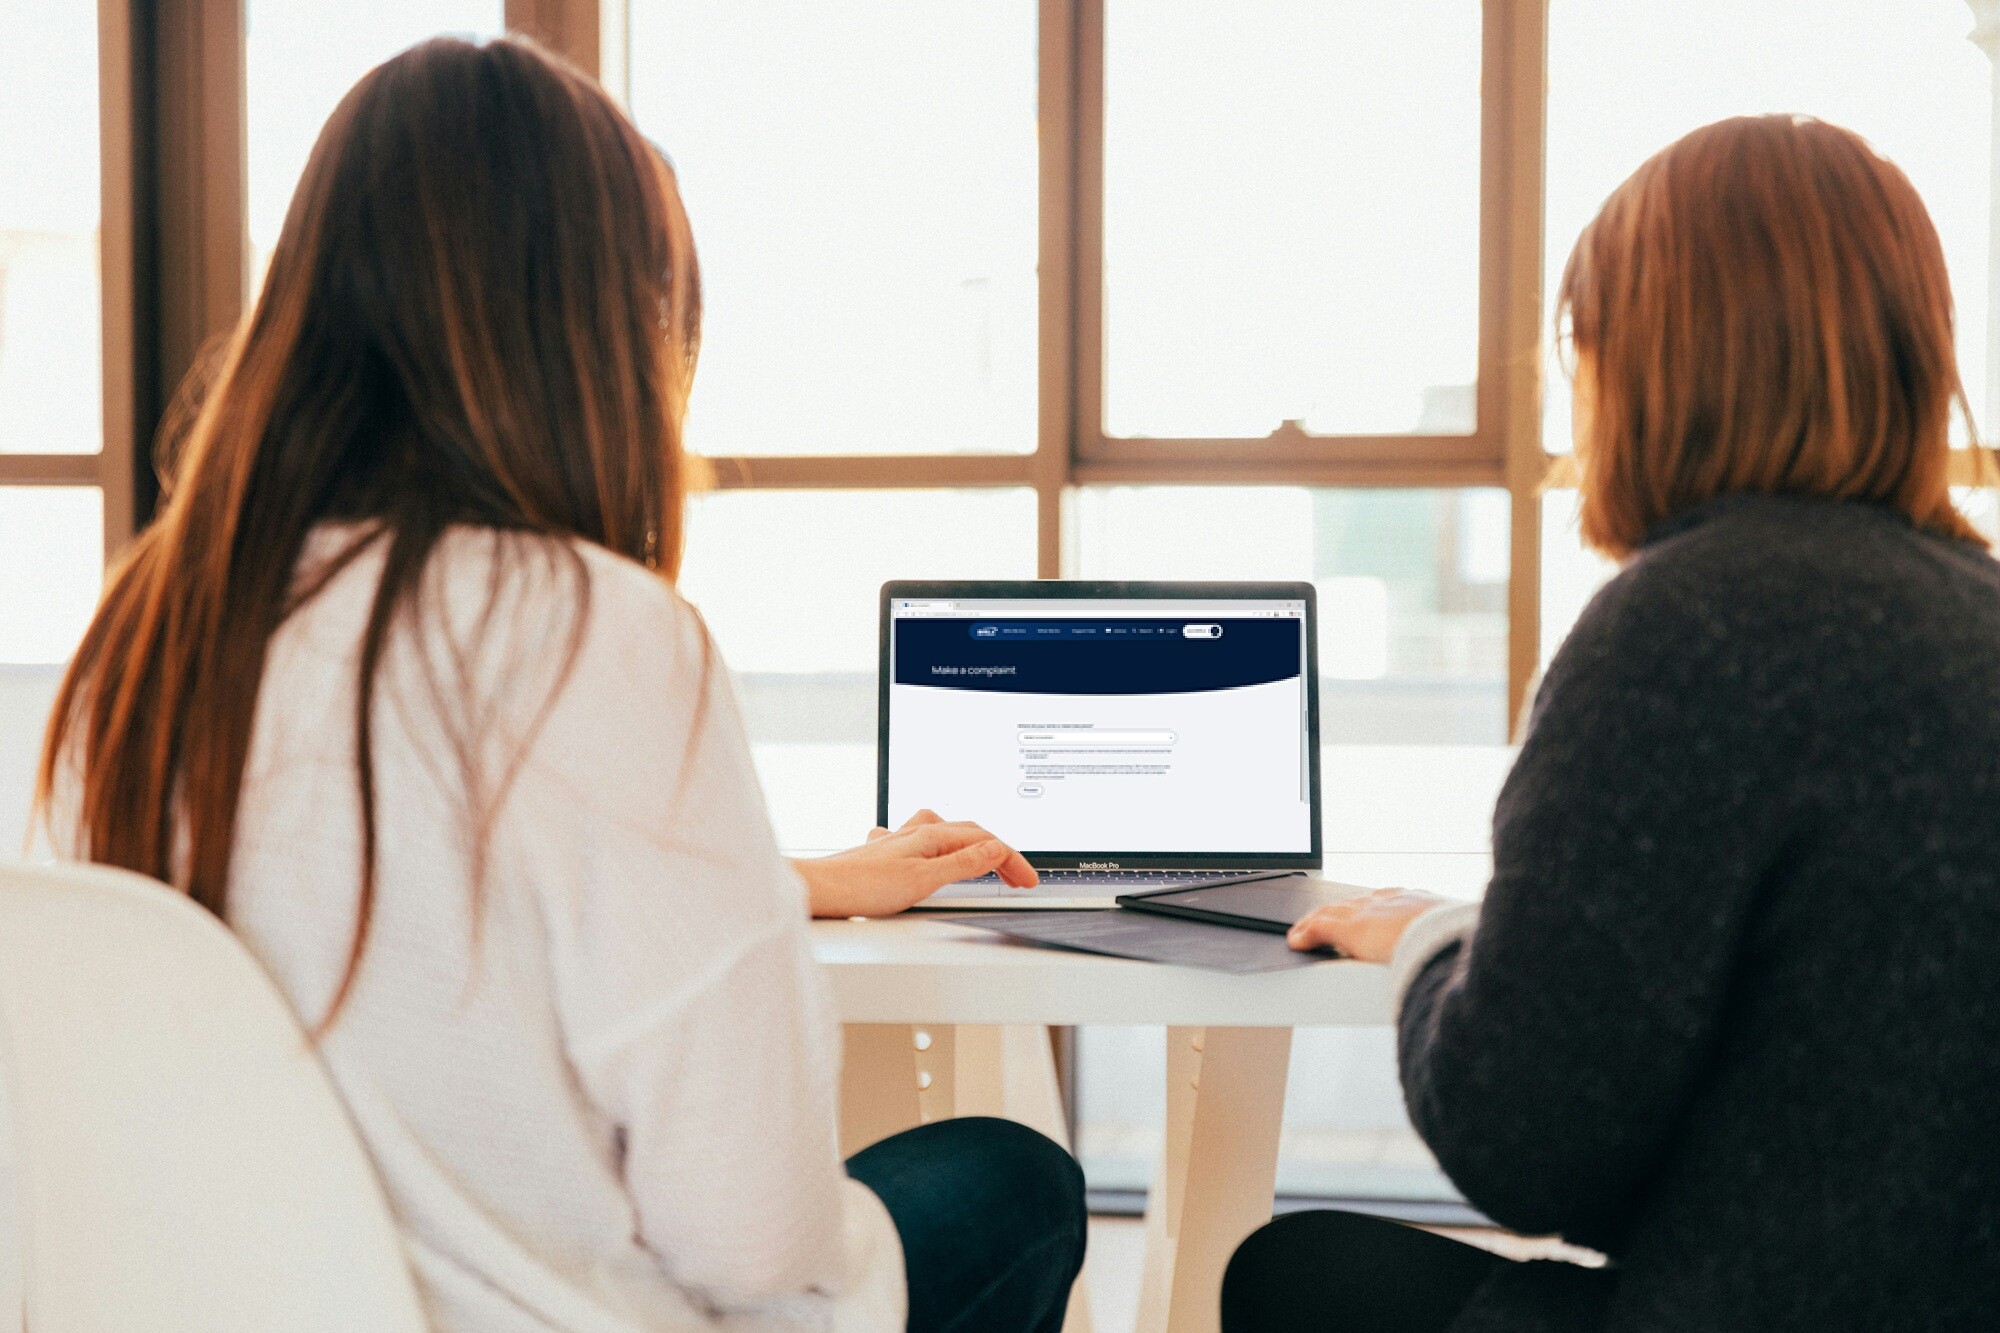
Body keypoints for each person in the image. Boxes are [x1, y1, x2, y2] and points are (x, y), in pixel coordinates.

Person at [35, 37, 1084, 1333]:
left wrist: (784, 879)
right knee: (1013, 1179)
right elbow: (753, 1238)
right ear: (592, 330)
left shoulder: (146, 632)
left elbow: (396, 908)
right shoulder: (597, 630)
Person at [1224, 115, 2000, 1330]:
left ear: (1641, 359)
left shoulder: (1685, 623)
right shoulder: (1974, 605)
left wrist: (1435, 944)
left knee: (1287, 1275)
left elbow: (1523, 1149)